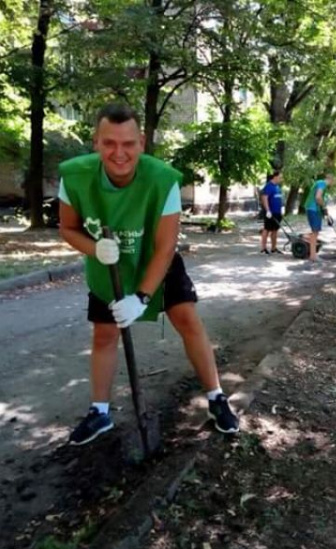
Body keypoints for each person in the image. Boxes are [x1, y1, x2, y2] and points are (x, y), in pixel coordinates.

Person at [58, 103, 240, 445]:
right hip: (108, 263)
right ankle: (100, 412)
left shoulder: (162, 179)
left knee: (187, 318)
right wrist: (93, 248)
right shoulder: (75, 177)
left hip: (155, 259)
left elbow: (166, 245)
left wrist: (141, 297)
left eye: (128, 144)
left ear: (141, 142)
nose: (119, 153)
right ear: (96, 142)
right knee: (104, 334)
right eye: (109, 143)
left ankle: (216, 397)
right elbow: (68, 228)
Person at [303, 172, 335, 263]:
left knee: (315, 232)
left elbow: (319, 198)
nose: (333, 184)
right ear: (331, 180)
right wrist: (324, 207)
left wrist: (324, 210)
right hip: (313, 209)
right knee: (315, 232)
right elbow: (318, 197)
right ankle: (313, 256)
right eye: (333, 182)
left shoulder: (320, 183)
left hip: (314, 209)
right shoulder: (322, 184)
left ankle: (312, 254)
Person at [259, 170, 284, 255]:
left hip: (277, 212)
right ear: (275, 177)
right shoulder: (269, 186)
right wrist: (268, 210)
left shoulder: (277, 187)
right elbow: (264, 198)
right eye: (280, 177)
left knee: (275, 230)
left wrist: (282, 210)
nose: (281, 179)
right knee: (267, 229)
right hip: (270, 213)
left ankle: (273, 248)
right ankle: (263, 248)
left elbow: (279, 199)